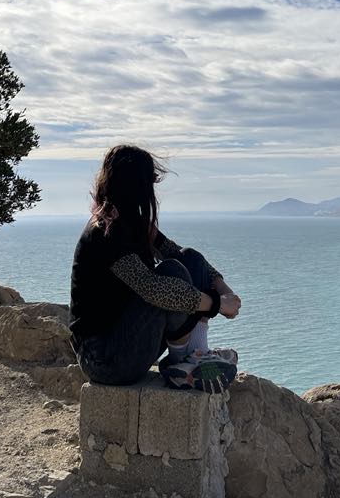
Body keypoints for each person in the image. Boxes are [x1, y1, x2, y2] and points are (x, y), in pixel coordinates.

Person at [70, 144, 241, 392]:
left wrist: (225, 290)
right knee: (171, 273)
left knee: (189, 258)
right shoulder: (106, 231)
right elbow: (153, 289)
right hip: (103, 359)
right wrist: (216, 303)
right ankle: (184, 361)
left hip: (128, 340)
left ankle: (193, 356)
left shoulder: (133, 223)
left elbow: (180, 254)